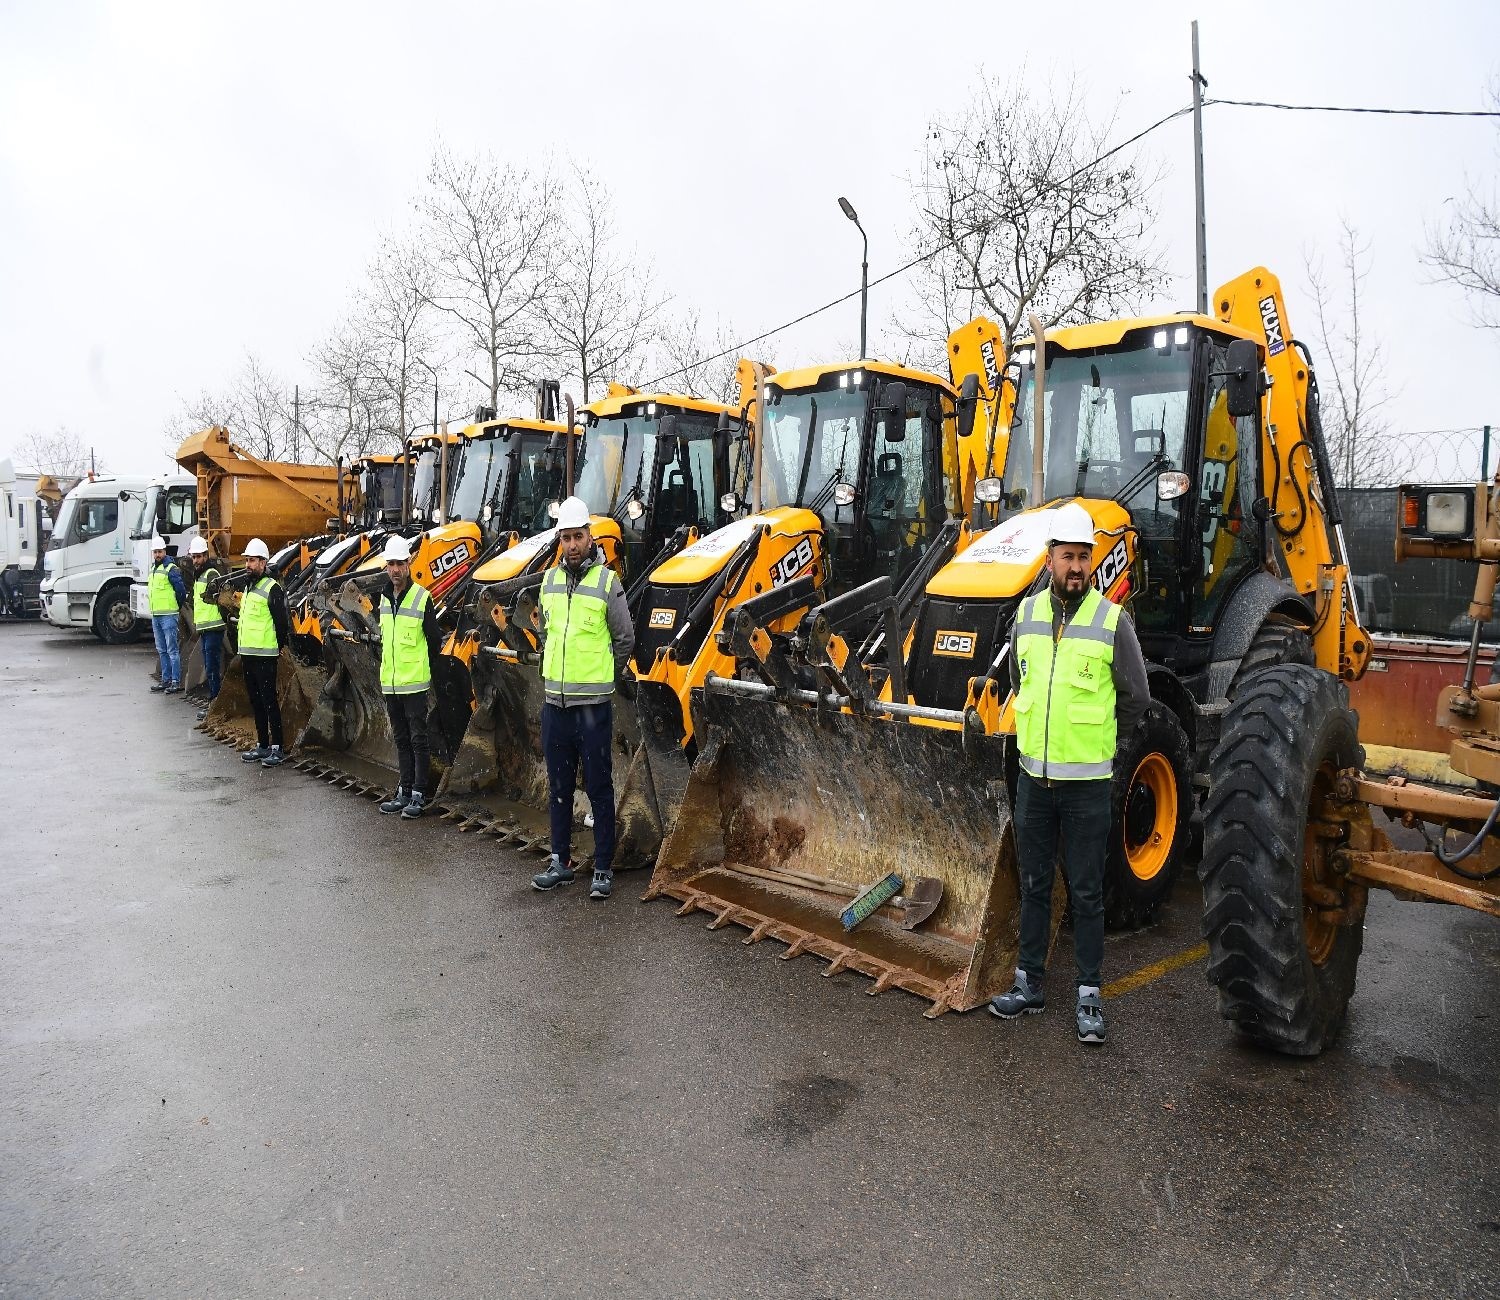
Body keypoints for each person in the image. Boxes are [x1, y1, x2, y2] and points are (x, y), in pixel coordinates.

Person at [988, 502, 1150, 1044]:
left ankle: (1088, 995)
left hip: (1086, 789)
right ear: (1050, 560)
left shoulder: (1112, 622)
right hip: (1035, 782)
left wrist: (1099, 743)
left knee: (1085, 892)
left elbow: (1136, 698)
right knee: (1034, 884)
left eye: (1084, 557)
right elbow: (1018, 679)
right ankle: (1029, 983)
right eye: (1066, 557)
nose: (1075, 566)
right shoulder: (1027, 616)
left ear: (1091, 561)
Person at [530, 496, 635, 900]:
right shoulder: (550, 581)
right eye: (566, 538)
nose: (572, 545)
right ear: (560, 539)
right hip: (555, 706)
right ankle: (561, 860)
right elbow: (546, 632)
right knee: (558, 786)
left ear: (590, 537)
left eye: (578, 536)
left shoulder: (608, 583)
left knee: (598, 786)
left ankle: (603, 866)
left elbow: (624, 640)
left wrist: (602, 679)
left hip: (592, 708)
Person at [374, 535, 444, 820]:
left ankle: (418, 793)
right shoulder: (382, 597)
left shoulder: (421, 598)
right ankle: (403, 790)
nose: (394, 570)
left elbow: (434, 641)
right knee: (401, 739)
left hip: (414, 683)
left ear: (408, 565)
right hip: (391, 683)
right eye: (390, 564)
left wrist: (421, 669)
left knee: (418, 739)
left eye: (399, 564)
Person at [236, 538, 291, 768]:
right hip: (248, 655)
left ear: (263, 562)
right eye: (247, 560)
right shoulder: (249, 587)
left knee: (269, 702)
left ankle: (277, 747)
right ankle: (262, 744)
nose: (248, 564)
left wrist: (277, 648)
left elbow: (281, 623)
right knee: (256, 702)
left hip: (265, 656)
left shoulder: (273, 589)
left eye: (252, 561)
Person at [187, 537, 225, 722]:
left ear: (205, 556)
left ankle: (215, 704)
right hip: (205, 627)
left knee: (212, 667)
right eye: (193, 557)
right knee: (211, 666)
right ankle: (214, 704)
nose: (195, 560)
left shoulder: (210, 574)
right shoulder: (201, 575)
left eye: (198, 557)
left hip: (213, 626)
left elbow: (220, 596)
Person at [146, 535, 187, 695]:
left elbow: (181, 591)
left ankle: (175, 681)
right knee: (162, 650)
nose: (157, 555)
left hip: (169, 615)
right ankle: (165, 680)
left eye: (160, 552)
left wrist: (176, 606)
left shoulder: (171, 568)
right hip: (156, 615)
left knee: (172, 650)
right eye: (155, 552)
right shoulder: (153, 569)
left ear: (164, 551)